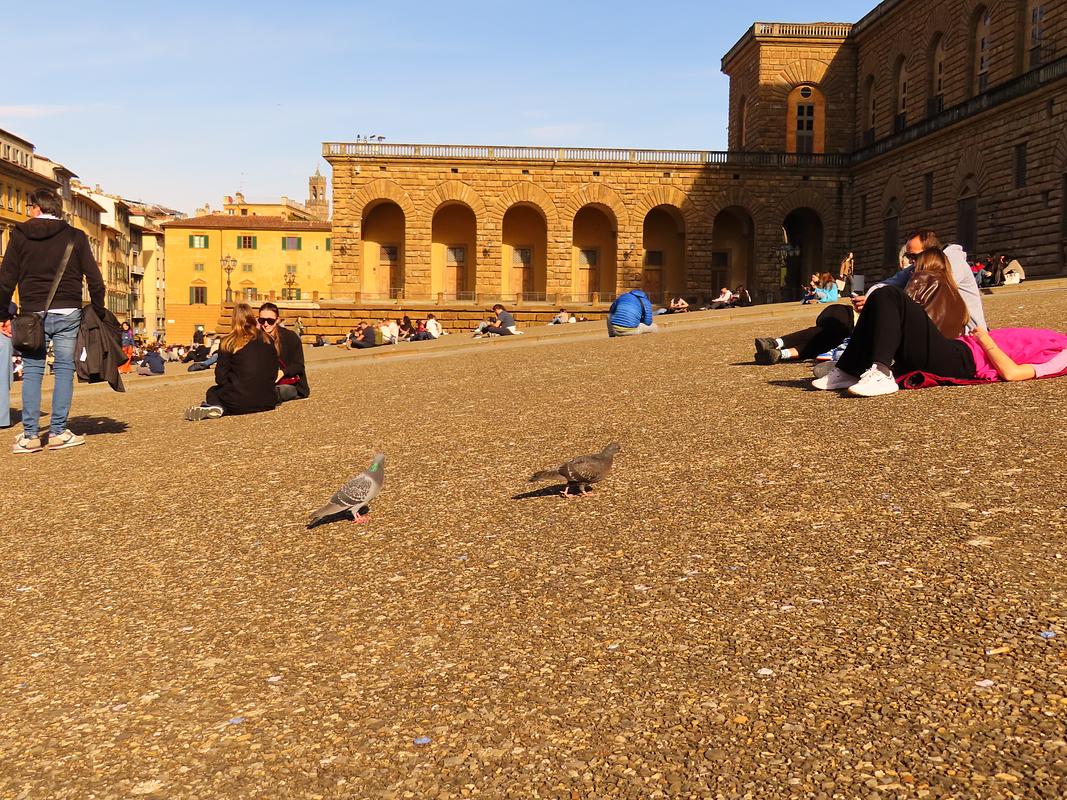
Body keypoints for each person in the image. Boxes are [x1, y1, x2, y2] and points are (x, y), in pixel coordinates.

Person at [755, 229, 987, 365]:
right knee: (842, 320)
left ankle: (783, 348)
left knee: (844, 321)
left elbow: (922, 298)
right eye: (908, 256)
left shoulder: (949, 263)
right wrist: (872, 297)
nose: (909, 261)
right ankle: (781, 348)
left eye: (913, 256)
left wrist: (879, 303)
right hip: (926, 329)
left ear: (931, 252)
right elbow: (888, 284)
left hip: (963, 336)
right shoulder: (917, 269)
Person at [0, 188, 106, 452]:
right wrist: (99, 309)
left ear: (37, 207)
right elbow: (95, 279)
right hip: (69, 311)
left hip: (31, 314)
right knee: (63, 371)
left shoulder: (20, 234)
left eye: (29, 206)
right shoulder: (76, 236)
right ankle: (58, 433)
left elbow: (6, 278)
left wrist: (2, 315)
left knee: (33, 371)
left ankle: (30, 436)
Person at [813, 248, 971, 396]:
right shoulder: (956, 295)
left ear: (924, 263)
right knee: (881, 297)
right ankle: (849, 370)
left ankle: (874, 371)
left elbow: (901, 315)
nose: (911, 264)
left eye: (915, 260)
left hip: (926, 352)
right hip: (943, 354)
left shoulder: (923, 278)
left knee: (887, 294)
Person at [184, 303, 278, 420]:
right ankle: (219, 407)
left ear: (234, 320)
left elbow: (220, 378)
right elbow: (274, 373)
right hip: (268, 401)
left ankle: (218, 407)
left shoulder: (228, 342)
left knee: (212, 392)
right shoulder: (268, 339)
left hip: (240, 402)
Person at [258, 301, 309, 403]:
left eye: (270, 321)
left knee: (271, 393)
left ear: (277, 320)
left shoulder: (290, 337)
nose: (265, 324)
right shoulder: (257, 338)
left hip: (290, 384)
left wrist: (282, 372)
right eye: (262, 320)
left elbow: (299, 365)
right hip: (266, 382)